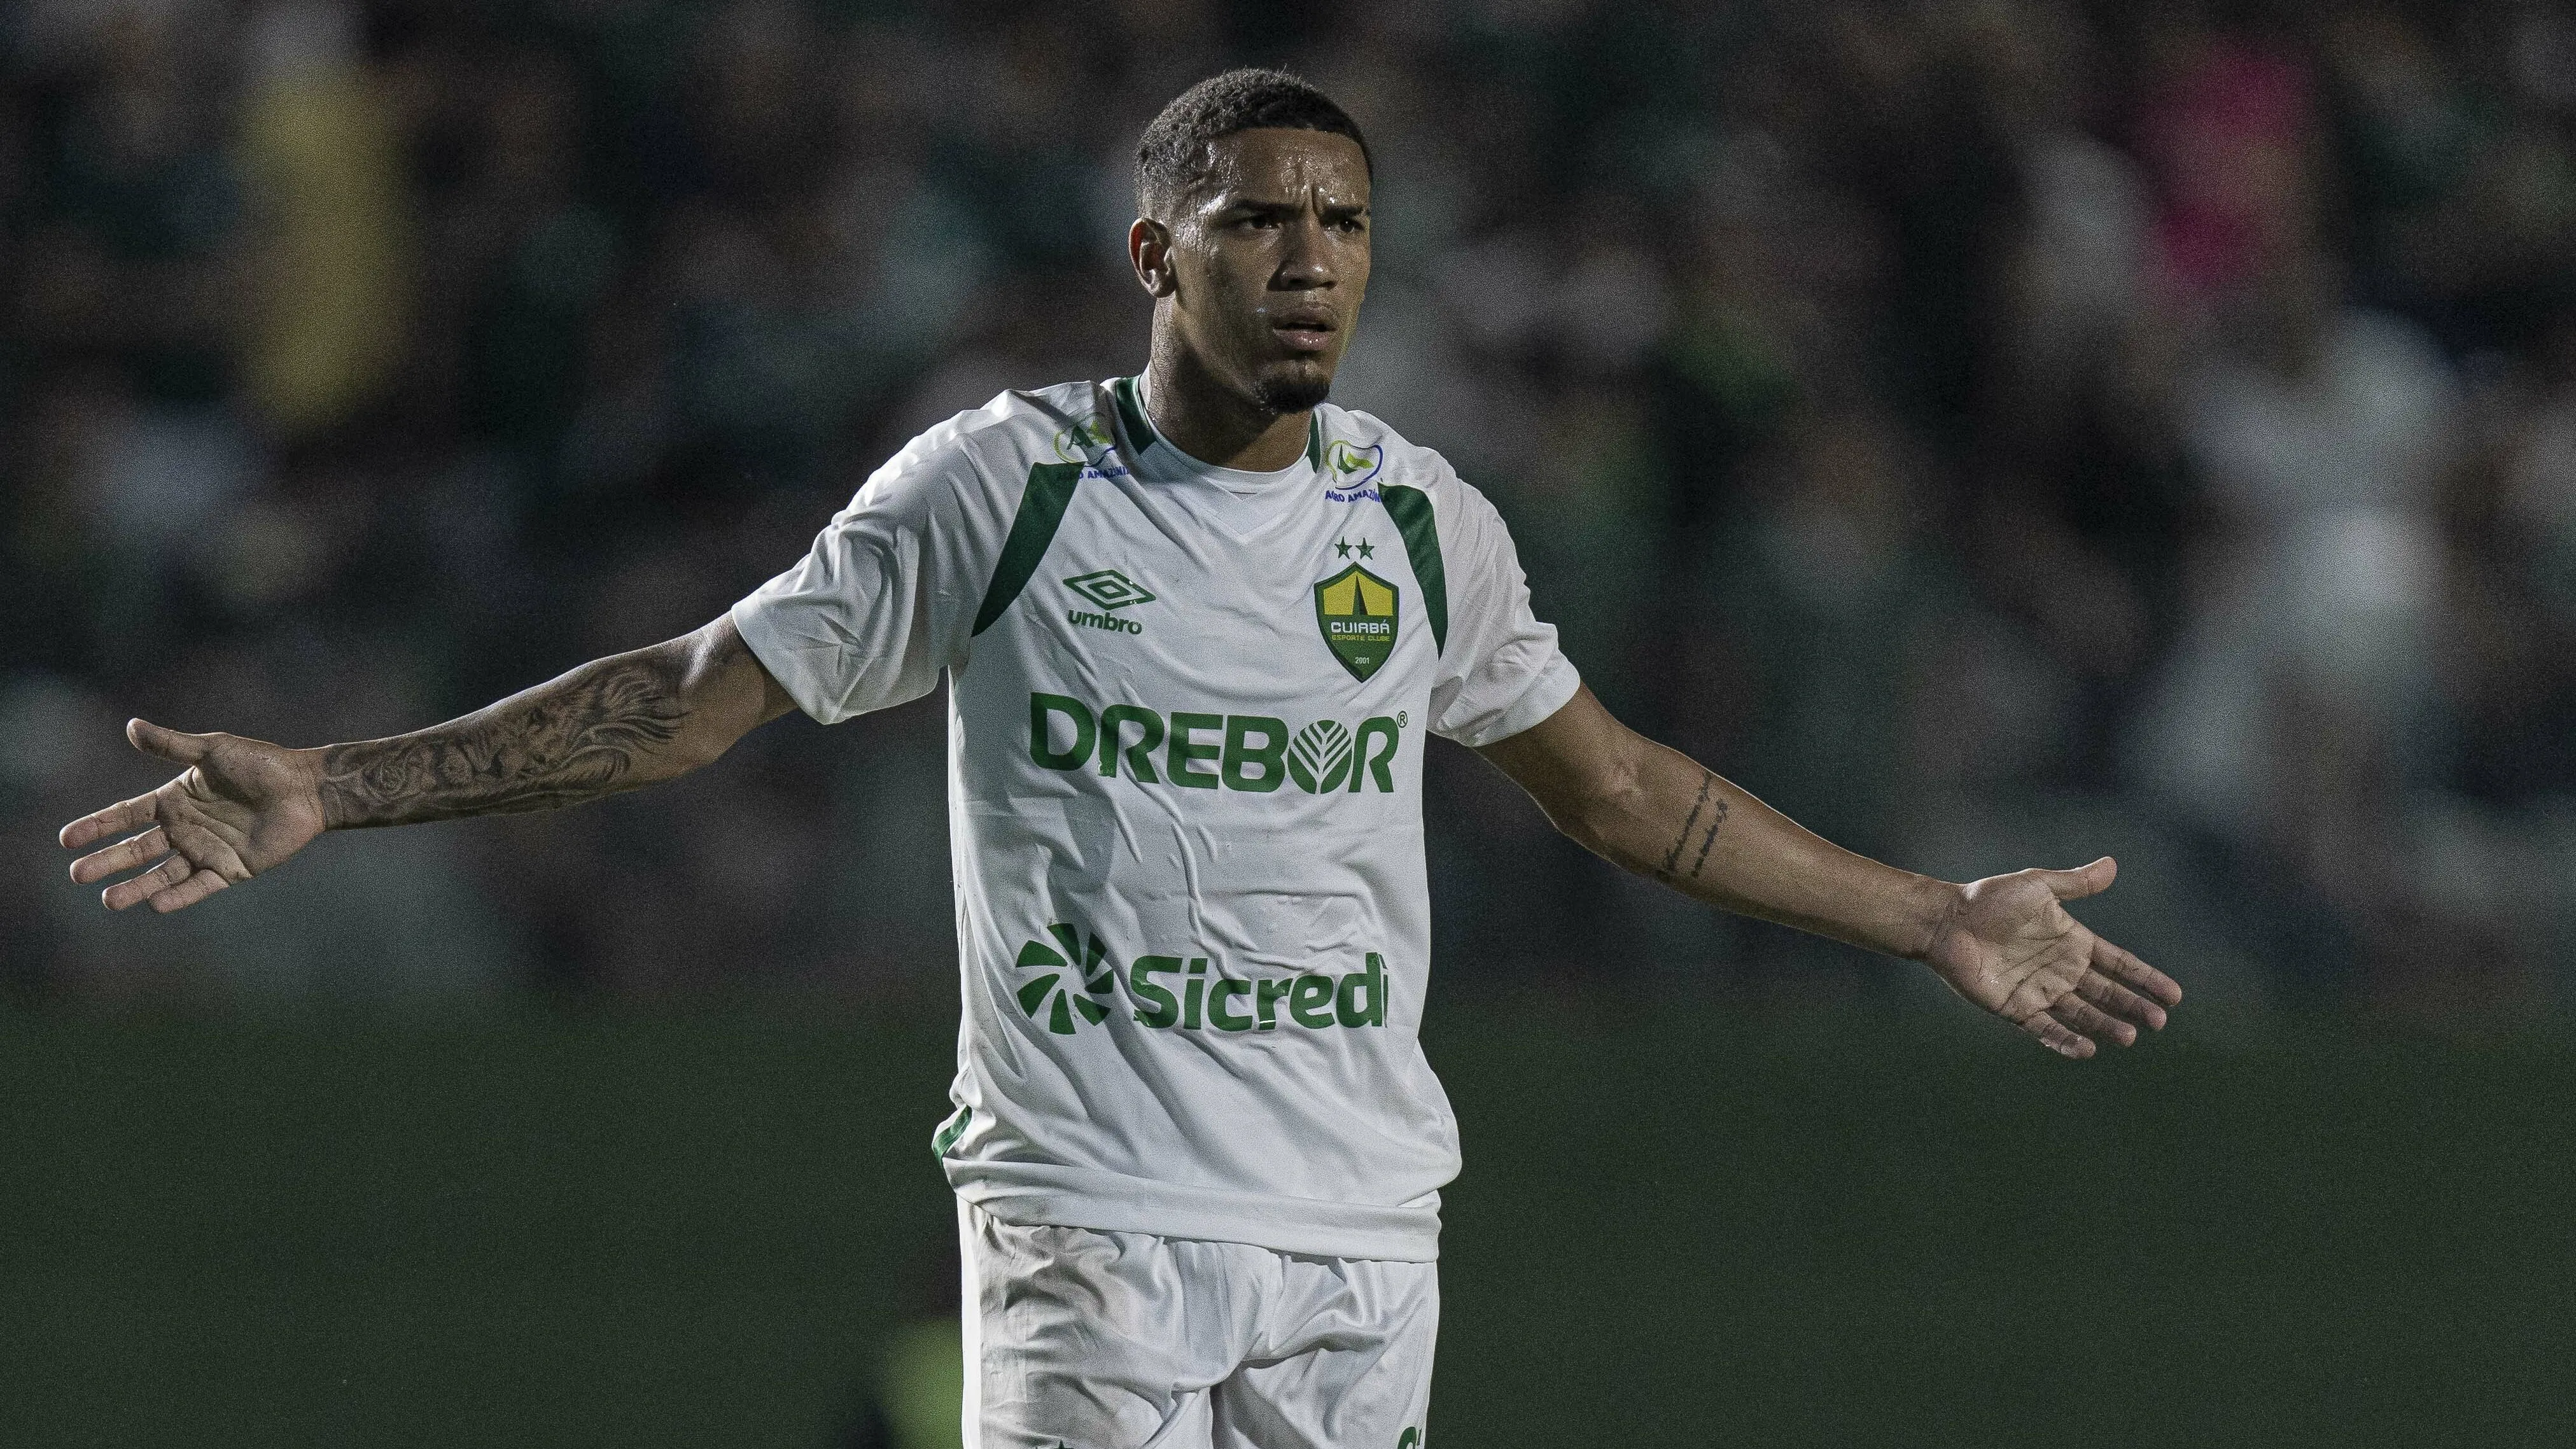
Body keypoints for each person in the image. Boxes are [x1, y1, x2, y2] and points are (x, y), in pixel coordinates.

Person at [58, 69, 2180, 1449]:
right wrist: (341, 782)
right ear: (1158, 254)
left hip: (1363, 1231)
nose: (1316, 263)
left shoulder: (1419, 519)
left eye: (1345, 225)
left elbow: (1626, 792)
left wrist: (1933, 914)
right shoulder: (1005, 490)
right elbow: (692, 693)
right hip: (1092, 1228)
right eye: (1263, 221)